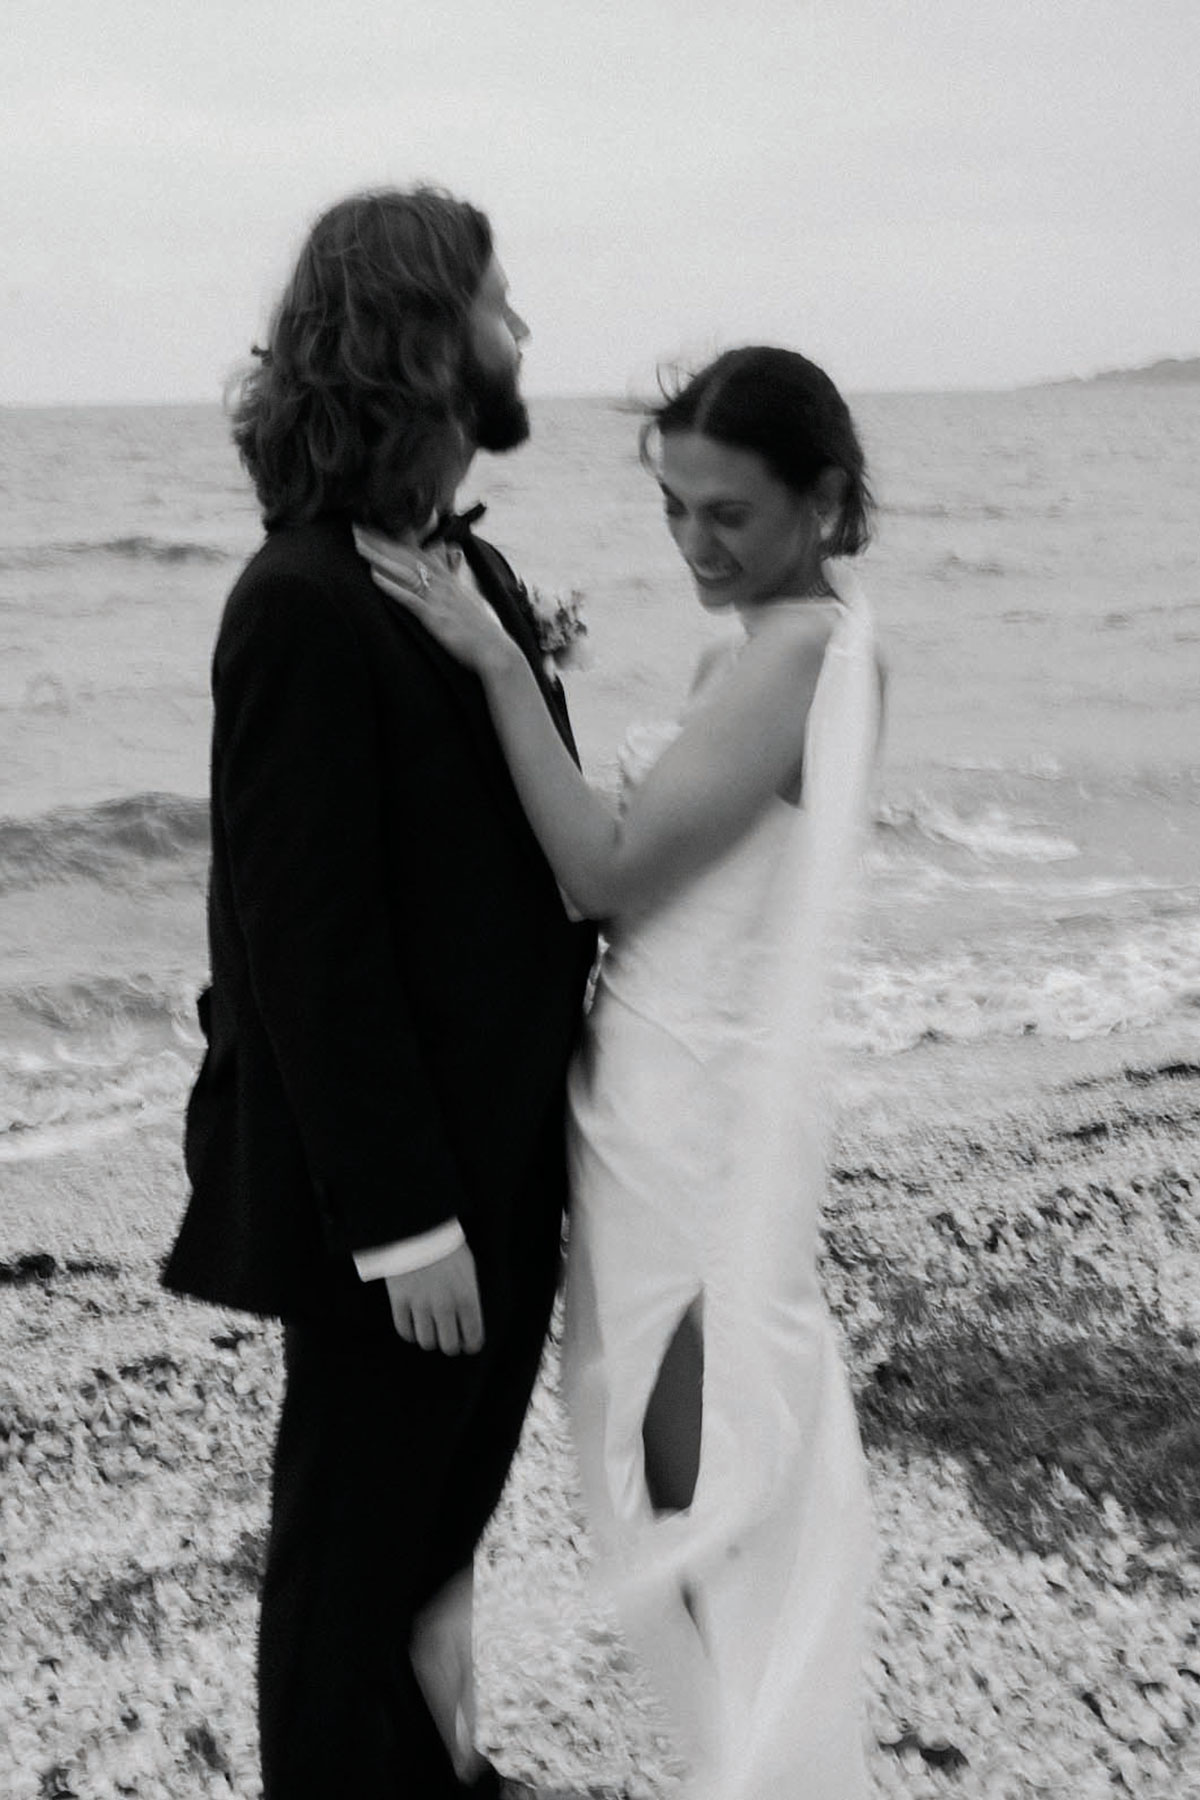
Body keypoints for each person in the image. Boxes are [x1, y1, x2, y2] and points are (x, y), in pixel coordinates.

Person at [357, 344, 884, 1800]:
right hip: (646, 1092)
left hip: (693, 1115)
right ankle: (742, 1752)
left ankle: (760, 1766)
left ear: (826, 499)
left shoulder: (799, 656)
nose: (696, 546)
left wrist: (495, 659)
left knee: (695, 1465)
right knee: (673, 1457)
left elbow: (598, 872)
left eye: (728, 513)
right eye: (675, 512)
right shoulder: (757, 650)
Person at [161, 186, 597, 1800]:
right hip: (399, 1208)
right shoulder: (297, 602)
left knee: (434, 1539)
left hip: (508, 1157)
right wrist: (405, 1221)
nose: (523, 329)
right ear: (422, 338)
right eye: (499, 300)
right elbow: (304, 946)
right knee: (346, 1573)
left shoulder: (458, 574)